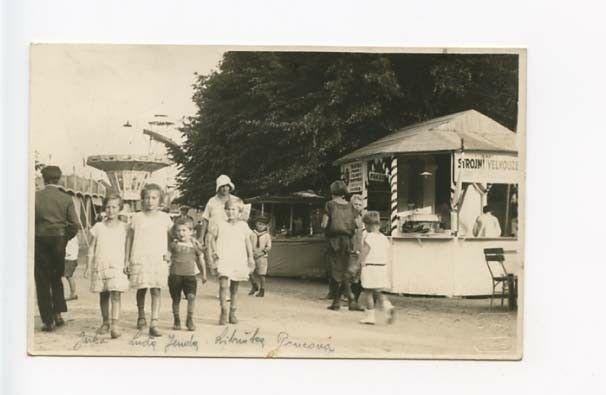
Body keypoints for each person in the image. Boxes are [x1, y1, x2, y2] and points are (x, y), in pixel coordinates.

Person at [35, 165, 79, 331]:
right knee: (56, 278)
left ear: (43, 178)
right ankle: (58, 314)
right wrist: (64, 238)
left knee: (42, 280)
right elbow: (74, 224)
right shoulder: (66, 198)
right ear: (59, 179)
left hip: (39, 240)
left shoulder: (35, 197)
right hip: (59, 241)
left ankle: (48, 320)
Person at [127, 183, 174, 337]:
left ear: (160, 200)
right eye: (147, 198)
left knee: (156, 288)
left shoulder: (165, 218)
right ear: (142, 199)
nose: (150, 201)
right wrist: (126, 258)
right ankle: (141, 315)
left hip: (157, 257)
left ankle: (154, 322)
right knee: (141, 288)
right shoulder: (136, 217)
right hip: (140, 255)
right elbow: (129, 238)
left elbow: (172, 237)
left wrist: (169, 251)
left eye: (154, 198)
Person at [84, 195, 130, 339]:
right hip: (101, 263)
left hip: (117, 264)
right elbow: (91, 247)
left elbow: (128, 247)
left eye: (114, 207)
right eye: (108, 207)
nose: (111, 210)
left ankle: (115, 324)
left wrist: (128, 262)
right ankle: (105, 322)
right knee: (103, 294)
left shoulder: (125, 227)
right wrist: (87, 266)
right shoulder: (98, 227)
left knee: (116, 294)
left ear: (120, 208)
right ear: (104, 208)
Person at [208, 198, 255, 325]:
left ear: (239, 211)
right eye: (228, 209)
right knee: (223, 285)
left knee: (234, 288)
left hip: (238, 258)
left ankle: (232, 312)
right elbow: (211, 239)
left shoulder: (243, 226)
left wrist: (250, 257)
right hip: (223, 257)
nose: (230, 212)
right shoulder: (220, 224)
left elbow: (247, 242)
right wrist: (213, 252)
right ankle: (223, 310)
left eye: (233, 209)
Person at [321, 180, 363, 311]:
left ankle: (342, 301)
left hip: (334, 241)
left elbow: (324, 224)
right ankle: (344, 301)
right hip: (348, 241)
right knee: (344, 270)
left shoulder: (330, 205)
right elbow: (358, 223)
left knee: (335, 271)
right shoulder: (351, 206)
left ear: (332, 192)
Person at [199, 175, 242, 301]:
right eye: (222, 186)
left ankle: (227, 290)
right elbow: (205, 219)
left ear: (230, 187)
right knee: (217, 261)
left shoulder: (236, 200)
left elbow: (242, 217)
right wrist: (201, 237)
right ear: (218, 188)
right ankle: (222, 287)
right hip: (214, 236)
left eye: (226, 186)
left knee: (229, 259)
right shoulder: (212, 201)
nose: (224, 189)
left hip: (230, 235)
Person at [169, 217, 207, 331]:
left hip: (190, 276)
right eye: (179, 230)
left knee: (191, 297)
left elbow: (201, 259)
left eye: (184, 230)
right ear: (175, 232)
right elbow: (166, 257)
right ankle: (176, 319)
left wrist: (204, 274)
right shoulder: (173, 245)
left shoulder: (194, 245)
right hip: (175, 275)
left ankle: (189, 319)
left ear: (191, 232)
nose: (181, 233)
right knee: (176, 299)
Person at [359, 211, 395, 325]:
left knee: (368, 292)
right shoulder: (384, 238)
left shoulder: (369, 237)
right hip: (381, 267)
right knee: (379, 291)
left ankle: (370, 316)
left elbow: (364, 253)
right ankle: (388, 307)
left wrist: (359, 263)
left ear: (368, 225)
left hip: (370, 267)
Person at [249, 215, 272, 297]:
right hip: (252, 255)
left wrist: (262, 252)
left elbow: (269, 246)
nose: (261, 226)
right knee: (249, 272)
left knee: (261, 274)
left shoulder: (267, 235)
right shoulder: (252, 233)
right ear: (256, 224)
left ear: (266, 226)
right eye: (259, 224)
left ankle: (262, 290)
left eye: (263, 224)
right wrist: (251, 253)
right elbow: (249, 244)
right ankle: (254, 285)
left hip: (262, 257)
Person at [349, 194, 365, 304]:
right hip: (350, 249)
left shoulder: (362, 218)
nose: (357, 206)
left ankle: (354, 299)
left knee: (358, 276)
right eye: (355, 204)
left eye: (360, 204)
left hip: (360, 249)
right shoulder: (347, 217)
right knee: (350, 274)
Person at [63, 234, 79, 301]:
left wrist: (66, 253)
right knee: (69, 276)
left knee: (69, 276)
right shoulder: (74, 236)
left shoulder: (70, 237)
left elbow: (69, 248)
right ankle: (73, 294)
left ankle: (73, 294)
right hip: (72, 258)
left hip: (69, 258)